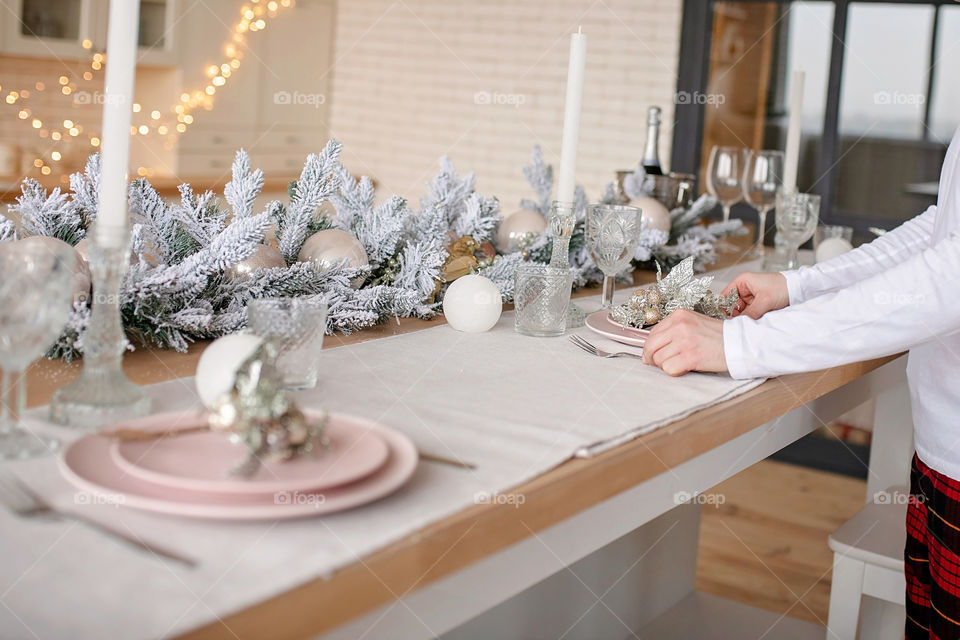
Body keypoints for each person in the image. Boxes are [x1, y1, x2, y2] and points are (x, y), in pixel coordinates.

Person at [642, 124, 960, 639]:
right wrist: (799, 285)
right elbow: (940, 229)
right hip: (941, 454)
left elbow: (950, 276)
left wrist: (742, 345)